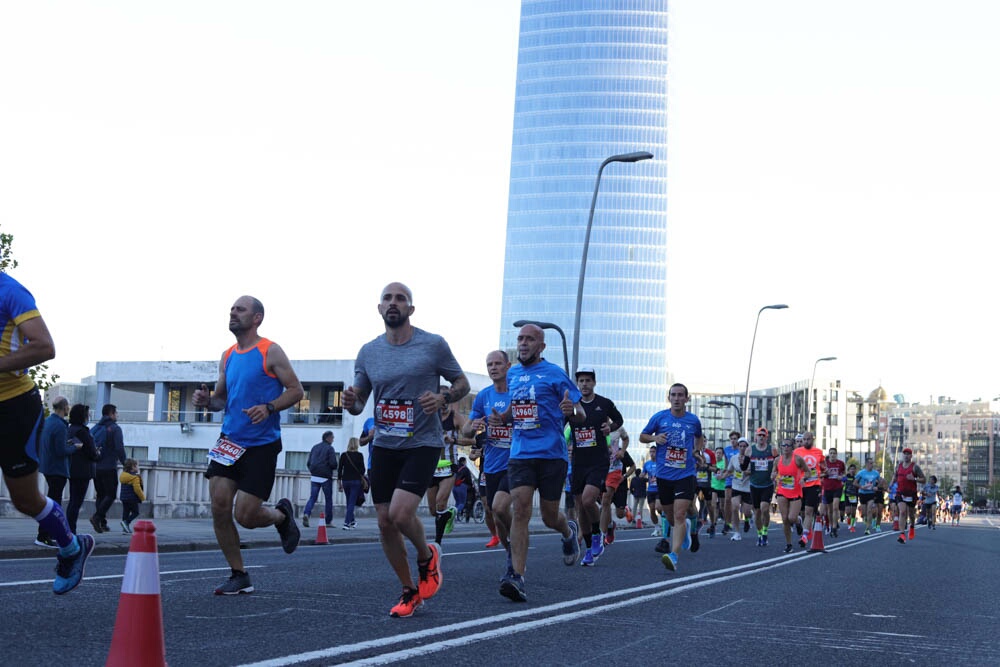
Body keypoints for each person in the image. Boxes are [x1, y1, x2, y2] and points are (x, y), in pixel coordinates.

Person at [343, 282, 469, 617]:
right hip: (385, 443)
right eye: (387, 298)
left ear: (411, 309)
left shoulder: (432, 344)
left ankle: (427, 556)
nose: (393, 303)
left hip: (422, 443)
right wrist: (350, 402)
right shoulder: (368, 352)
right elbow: (359, 402)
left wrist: (442, 398)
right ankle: (409, 591)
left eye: (401, 298)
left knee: (400, 514)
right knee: (384, 522)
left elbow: (462, 383)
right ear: (380, 308)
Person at [192, 295, 304, 596]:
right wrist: (207, 401)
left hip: (261, 445)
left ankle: (281, 516)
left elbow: (297, 391)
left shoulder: (270, 351)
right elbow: (221, 400)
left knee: (246, 515)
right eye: (231, 309)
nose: (232, 313)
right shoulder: (227, 355)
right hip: (229, 442)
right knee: (218, 507)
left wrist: (269, 407)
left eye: (240, 309)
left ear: (257, 318)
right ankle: (239, 574)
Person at [0, 271, 93, 593]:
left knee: (25, 501)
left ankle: (71, 547)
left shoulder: (10, 291)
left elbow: (44, 346)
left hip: (13, 408)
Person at [488, 323, 585, 601]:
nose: (523, 343)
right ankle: (516, 576)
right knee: (520, 511)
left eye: (530, 339)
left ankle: (568, 531)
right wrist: (502, 418)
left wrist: (572, 411)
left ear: (541, 346)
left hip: (552, 455)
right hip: (520, 454)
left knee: (549, 516)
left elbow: (579, 414)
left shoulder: (555, 374)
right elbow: (514, 408)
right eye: (520, 338)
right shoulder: (514, 373)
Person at [639, 383, 705, 572]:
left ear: (687, 398)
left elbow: (699, 437)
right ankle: (684, 532)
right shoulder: (660, 417)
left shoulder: (693, 420)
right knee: (669, 515)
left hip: (686, 474)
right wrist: (654, 438)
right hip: (664, 475)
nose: (676, 398)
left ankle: (674, 555)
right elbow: (642, 436)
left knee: (679, 514)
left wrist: (696, 451)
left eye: (680, 395)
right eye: (673, 395)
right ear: (669, 398)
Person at [568, 366, 624, 567]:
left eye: (588, 380)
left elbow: (619, 420)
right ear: (577, 383)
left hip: (599, 461)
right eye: (581, 381)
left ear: (594, 383)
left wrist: (611, 427)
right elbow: (559, 425)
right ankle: (591, 547)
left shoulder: (604, 403)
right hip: (578, 462)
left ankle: (598, 534)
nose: (584, 384)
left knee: (588, 499)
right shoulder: (572, 405)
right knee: (580, 506)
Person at [36, 396, 80, 547]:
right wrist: (75, 447)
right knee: (54, 505)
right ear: (64, 407)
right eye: (68, 406)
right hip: (58, 469)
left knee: (51, 502)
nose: (69, 409)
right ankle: (43, 535)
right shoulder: (61, 426)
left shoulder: (48, 421)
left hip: (47, 466)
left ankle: (46, 534)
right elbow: (61, 451)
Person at [90, 404, 126, 533]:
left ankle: (102, 523)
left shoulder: (95, 428)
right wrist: (125, 463)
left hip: (95, 467)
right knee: (110, 494)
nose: (117, 415)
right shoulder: (115, 429)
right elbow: (119, 448)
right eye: (116, 413)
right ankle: (97, 517)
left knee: (100, 494)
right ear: (111, 414)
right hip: (109, 466)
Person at [66, 404, 100, 534]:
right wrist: (97, 454)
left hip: (73, 468)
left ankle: (69, 529)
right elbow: (91, 452)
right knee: (76, 502)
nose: (89, 416)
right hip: (83, 470)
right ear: (82, 416)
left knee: (72, 501)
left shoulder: (70, 429)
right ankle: (71, 530)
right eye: (87, 414)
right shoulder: (82, 431)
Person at [772, 437, 809, 553]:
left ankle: (798, 522)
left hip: (795, 492)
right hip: (782, 491)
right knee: (785, 519)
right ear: (781, 447)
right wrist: (772, 475)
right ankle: (789, 544)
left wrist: (804, 478)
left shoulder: (798, 459)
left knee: (791, 517)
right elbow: (774, 471)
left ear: (792, 448)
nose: (786, 448)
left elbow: (808, 471)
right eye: (784, 445)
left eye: (788, 445)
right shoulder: (778, 460)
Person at [793, 431, 826, 548]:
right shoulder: (796, 452)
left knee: (808, 511)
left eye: (808, 439)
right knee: (797, 513)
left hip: (813, 484)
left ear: (812, 440)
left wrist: (823, 471)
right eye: (804, 440)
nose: (806, 441)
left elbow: (824, 465)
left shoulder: (818, 452)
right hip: (800, 485)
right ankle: (801, 525)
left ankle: (805, 536)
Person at [303, 431, 338, 528]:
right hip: (325, 477)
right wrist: (333, 468)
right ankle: (328, 521)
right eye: (332, 438)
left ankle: (306, 513)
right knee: (328, 499)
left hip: (314, 476)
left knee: (312, 497)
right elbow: (333, 463)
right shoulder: (330, 449)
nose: (333, 439)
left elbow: (309, 462)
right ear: (328, 438)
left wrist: (313, 471)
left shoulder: (315, 447)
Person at [748, 428, 776, 547]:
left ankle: (765, 531)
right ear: (756, 437)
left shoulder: (772, 449)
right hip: (754, 484)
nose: (761, 437)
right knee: (757, 512)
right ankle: (759, 534)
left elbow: (778, 461)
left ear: (766, 437)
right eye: (759, 435)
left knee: (764, 508)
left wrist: (775, 472)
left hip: (767, 484)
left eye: (763, 435)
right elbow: (745, 464)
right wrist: (746, 469)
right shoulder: (750, 449)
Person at [894, 447, 925, 544]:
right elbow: (895, 477)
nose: (906, 456)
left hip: (911, 493)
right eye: (905, 454)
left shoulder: (915, 467)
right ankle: (902, 534)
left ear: (911, 456)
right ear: (903, 455)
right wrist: (890, 485)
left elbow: (924, 479)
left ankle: (912, 526)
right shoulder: (898, 466)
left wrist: (914, 479)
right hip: (900, 492)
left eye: (908, 454)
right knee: (902, 512)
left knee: (911, 514)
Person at [338, 438, 367, 529]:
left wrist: (339, 482)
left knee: (349, 502)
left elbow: (339, 469)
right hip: (355, 481)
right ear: (356, 444)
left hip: (345, 481)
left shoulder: (344, 455)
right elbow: (363, 470)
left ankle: (352, 521)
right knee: (351, 503)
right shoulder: (359, 455)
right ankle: (346, 523)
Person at [821, 447, 846, 537]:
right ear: (829, 454)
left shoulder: (840, 463)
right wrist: (825, 474)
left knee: (835, 507)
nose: (832, 455)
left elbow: (844, 475)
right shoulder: (825, 464)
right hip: (827, 488)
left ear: (836, 454)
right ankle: (831, 525)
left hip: (837, 488)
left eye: (834, 453)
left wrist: (842, 478)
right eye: (831, 453)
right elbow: (819, 474)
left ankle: (835, 527)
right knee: (830, 510)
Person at [855, 458, 881, 534]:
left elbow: (880, 482)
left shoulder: (876, 473)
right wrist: (861, 486)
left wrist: (877, 487)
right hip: (862, 493)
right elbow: (855, 483)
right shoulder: (861, 473)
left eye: (872, 463)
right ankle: (866, 519)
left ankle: (867, 529)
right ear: (866, 464)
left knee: (869, 510)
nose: (871, 465)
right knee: (864, 512)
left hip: (871, 493)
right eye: (870, 463)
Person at [118, 458, 145, 533]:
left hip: (124, 498)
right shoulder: (135, 477)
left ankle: (125, 529)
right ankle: (126, 523)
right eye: (137, 466)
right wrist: (142, 497)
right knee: (135, 512)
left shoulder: (123, 476)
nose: (138, 468)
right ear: (133, 467)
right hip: (132, 498)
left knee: (125, 512)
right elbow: (137, 489)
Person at [453, 457, 474, 521]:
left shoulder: (455, 468)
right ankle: (452, 514)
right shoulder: (465, 469)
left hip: (454, 487)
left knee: (457, 502)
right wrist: (470, 486)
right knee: (462, 503)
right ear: (464, 461)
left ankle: (455, 518)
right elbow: (469, 479)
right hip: (462, 486)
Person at [842, 464, 859, 532]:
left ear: (855, 470)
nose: (852, 470)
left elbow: (859, 485)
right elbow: (841, 483)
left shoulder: (857, 477)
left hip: (854, 495)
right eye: (851, 469)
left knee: (853, 512)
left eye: (853, 469)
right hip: (847, 495)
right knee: (848, 511)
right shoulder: (846, 477)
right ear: (848, 470)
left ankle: (853, 521)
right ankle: (849, 524)